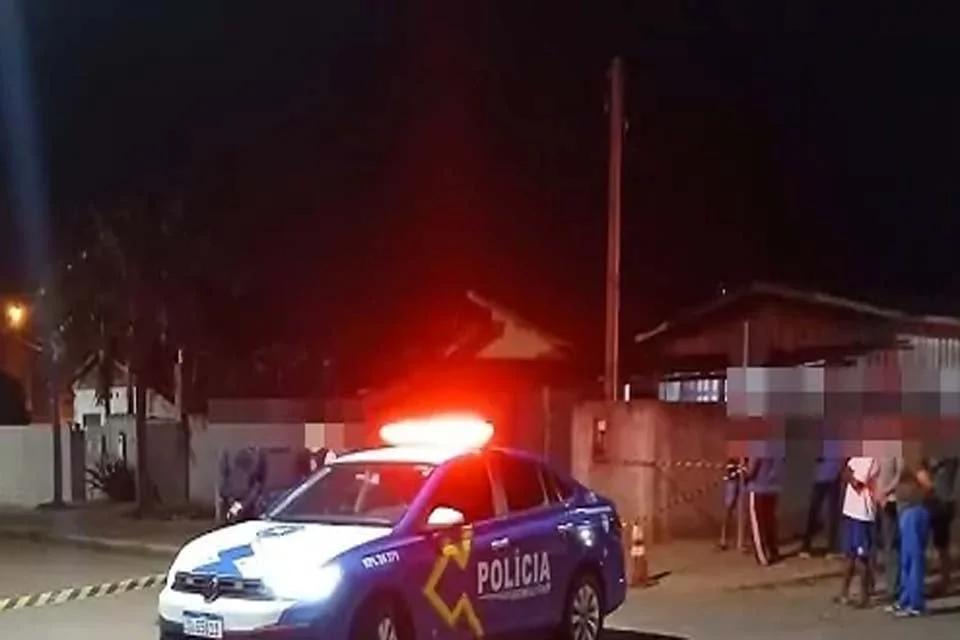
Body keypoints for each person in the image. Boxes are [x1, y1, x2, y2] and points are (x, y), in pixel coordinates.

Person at [835, 456, 879, 608]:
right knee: (849, 555)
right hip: (850, 511)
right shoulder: (856, 456)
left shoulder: (871, 459)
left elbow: (857, 483)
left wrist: (848, 474)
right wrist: (847, 473)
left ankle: (864, 596)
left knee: (862, 557)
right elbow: (844, 472)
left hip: (863, 514)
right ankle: (843, 592)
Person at [885, 467, 930, 617]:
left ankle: (916, 604)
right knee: (906, 561)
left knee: (914, 560)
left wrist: (915, 495)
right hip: (905, 511)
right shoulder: (905, 465)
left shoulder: (915, 463)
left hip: (914, 510)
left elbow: (927, 484)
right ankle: (905, 600)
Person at [799, 444, 845, 558]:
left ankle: (831, 547)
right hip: (824, 475)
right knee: (819, 510)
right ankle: (807, 545)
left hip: (831, 474)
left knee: (830, 512)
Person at [921, 456, 958, 595]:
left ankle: (945, 581)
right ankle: (942, 579)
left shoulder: (948, 462)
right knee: (938, 545)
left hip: (941, 504)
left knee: (942, 545)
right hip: (937, 503)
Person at [874, 455, 905, 604]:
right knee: (877, 544)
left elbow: (900, 474)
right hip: (876, 500)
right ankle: (872, 584)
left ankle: (894, 588)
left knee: (891, 545)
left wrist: (885, 491)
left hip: (891, 501)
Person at [745, 456, 783, 566]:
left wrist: (746, 474)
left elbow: (752, 470)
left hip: (758, 488)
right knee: (770, 520)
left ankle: (762, 555)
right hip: (773, 488)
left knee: (757, 523)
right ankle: (773, 552)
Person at [217, 446, 268, 523]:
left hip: (246, 507)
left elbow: (255, 489)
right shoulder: (232, 474)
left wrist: (240, 505)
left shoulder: (253, 478)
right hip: (234, 503)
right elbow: (224, 488)